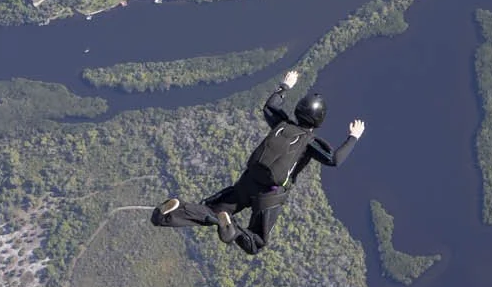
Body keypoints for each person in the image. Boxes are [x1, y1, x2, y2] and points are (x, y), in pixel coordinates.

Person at [155, 71, 362, 248]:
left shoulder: (281, 124)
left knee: (213, 210)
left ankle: (169, 214)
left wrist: (285, 86)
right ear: (319, 120)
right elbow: (334, 159)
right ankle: (231, 231)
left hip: (248, 180)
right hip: (269, 195)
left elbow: (269, 106)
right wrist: (353, 137)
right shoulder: (309, 142)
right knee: (256, 241)